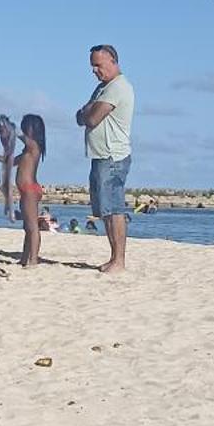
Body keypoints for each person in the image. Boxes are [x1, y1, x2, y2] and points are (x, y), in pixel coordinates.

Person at [76, 43, 134, 274]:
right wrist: (86, 111)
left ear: (113, 61)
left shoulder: (118, 87)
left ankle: (118, 260)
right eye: (92, 66)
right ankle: (113, 258)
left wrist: (87, 111)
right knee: (105, 209)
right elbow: (81, 116)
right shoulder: (102, 88)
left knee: (114, 208)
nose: (95, 71)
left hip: (112, 156)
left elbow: (91, 118)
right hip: (100, 155)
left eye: (98, 65)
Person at [15, 114, 46, 268]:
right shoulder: (26, 152)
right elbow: (9, 161)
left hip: (30, 190)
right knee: (27, 226)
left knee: (32, 226)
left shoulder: (34, 147)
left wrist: (9, 127)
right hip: (26, 191)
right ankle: (25, 257)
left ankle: (33, 259)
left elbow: (23, 138)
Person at [0, 114, 18, 222]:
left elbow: (9, 149)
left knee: (7, 185)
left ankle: (10, 211)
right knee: (5, 185)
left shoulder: (10, 131)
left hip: (9, 155)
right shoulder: (5, 133)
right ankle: (8, 206)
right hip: (8, 154)